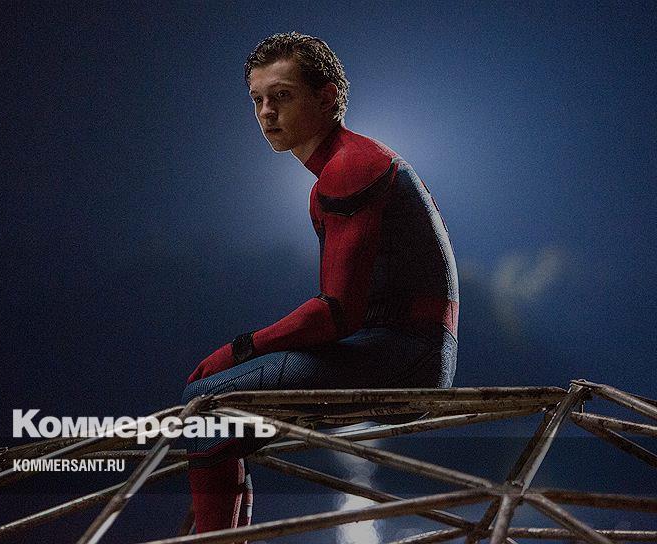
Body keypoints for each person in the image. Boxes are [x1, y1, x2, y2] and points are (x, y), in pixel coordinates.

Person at [180, 31, 459, 535]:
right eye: (257, 100)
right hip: (397, 346)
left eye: (282, 96)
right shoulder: (335, 175)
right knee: (221, 416)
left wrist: (238, 349)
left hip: (405, 355)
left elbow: (336, 313)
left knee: (206, 401)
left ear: (327, 97)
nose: (266, 112)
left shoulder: (353, 167)